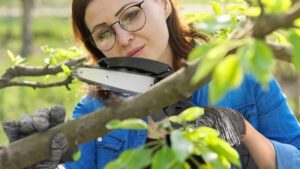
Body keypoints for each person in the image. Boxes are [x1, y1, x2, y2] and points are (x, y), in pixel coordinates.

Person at [3, 0, 300, 168]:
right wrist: (37, 160)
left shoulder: (240, 76)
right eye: (104, 33)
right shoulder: (96, 108)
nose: (123, 38)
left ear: (163, 4)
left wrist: (241, 129)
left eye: (131, 15)